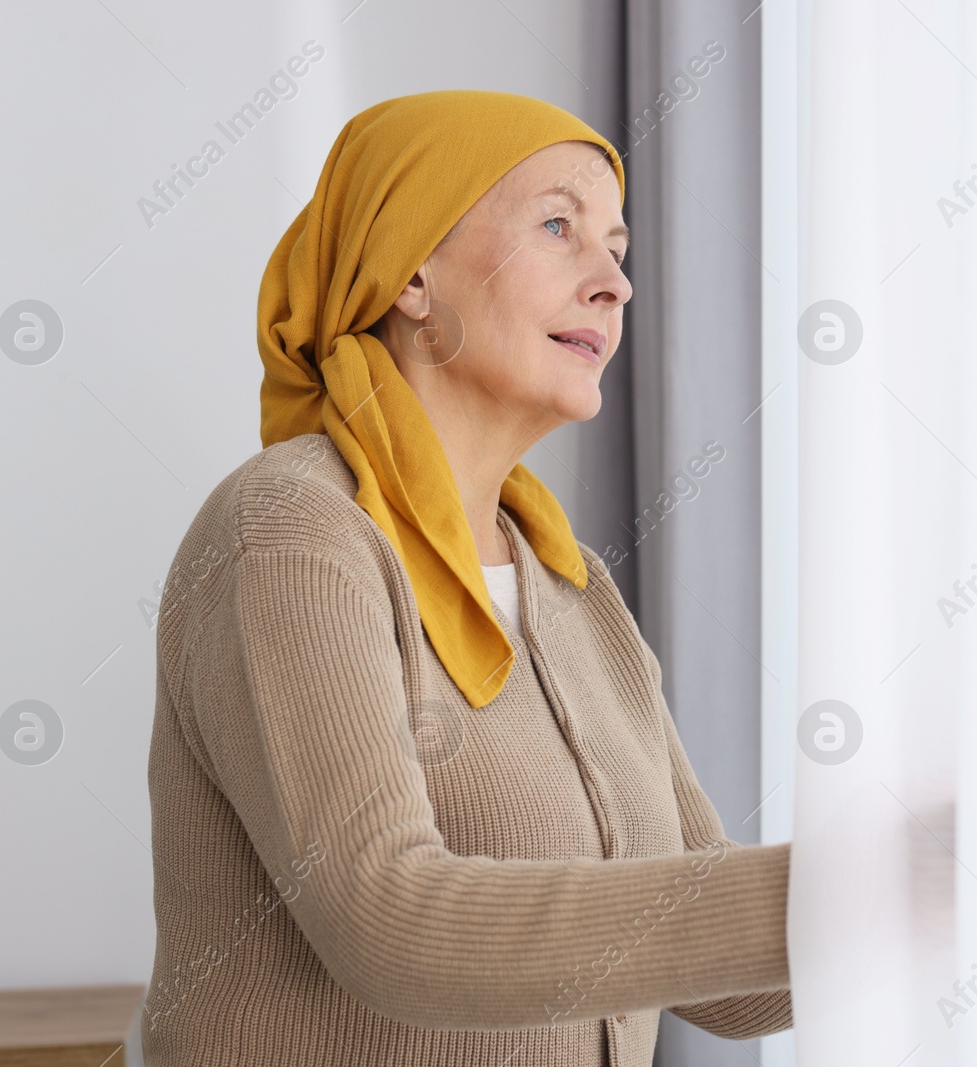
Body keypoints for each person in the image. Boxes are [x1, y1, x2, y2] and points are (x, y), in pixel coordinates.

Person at [142, 89, 791, 1067]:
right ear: (410, 272)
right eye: (558, 226)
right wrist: (841, 889)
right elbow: (389, 921)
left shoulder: (569, 585)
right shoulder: (289, 531)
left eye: (617, 246)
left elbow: (726, 976)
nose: (613, 281)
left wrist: (941, 858)